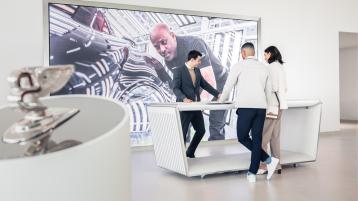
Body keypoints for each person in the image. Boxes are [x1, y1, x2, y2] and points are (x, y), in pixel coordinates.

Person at [150, 23, 228, 141]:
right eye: (156, 46)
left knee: (216, 126)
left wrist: (191, 110)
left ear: (172, 36)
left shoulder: (194, 45)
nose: (162, 49)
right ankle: (185, 155)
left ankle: (217, 155)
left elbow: (210, 83)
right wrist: (159, 70)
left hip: (219, 82)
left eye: (164, 42)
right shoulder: (169, 59)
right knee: (183, 125)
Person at [219, 42, 279, 182]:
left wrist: (221, 100)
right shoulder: (264, 68)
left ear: (243, 53)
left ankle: (266, 162)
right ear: (253, 52)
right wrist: (268, 107)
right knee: (257, 139)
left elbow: (228, 86)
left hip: (246, 108)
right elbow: (268, 91)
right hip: (261, 108)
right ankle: (256, 170)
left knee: (242, 137)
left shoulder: (239, 66)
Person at [173, 50, 220, 158]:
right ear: (192, 59)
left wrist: (217, 94)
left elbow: (205, 85)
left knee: (201, 130)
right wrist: (184, 98)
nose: (200, 62)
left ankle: (190, 151)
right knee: (183, 133)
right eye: (198, 60)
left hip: (196, 106)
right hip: (184, 107)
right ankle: (180, 158)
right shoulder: (178, 71)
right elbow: (175, 88)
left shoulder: (198, 71)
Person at [257, 46, 288, 175]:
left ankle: (263, 165)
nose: (264, 57)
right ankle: (277, 165)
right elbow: (284, 87)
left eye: (265, 55)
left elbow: (271, 87)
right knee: (275, 136)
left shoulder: (270, 68)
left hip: (272, 105)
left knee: (263, 137)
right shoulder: (280, 67)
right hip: (281, 106)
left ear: (270, 54)